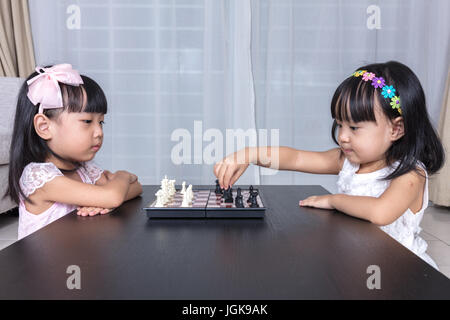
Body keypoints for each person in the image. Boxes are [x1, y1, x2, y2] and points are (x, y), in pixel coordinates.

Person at [214, 61, 444, 269]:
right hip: (357, 260)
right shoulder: (349, 161)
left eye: (354, 128)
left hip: (397, 271)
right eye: (340, 124)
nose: (343, 136)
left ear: (396, 129)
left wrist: (333, 200)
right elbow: (296, 158)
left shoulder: (410, 174)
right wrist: (248, 154)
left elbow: (380, 212)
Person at [3, 64, 143, 239]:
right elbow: (113, 195)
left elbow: (136, 188)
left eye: (101, 122)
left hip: (77, 258)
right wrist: (123, 176)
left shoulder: (83, 168)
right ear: (44, 127)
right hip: (44, 266)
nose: (99, 132)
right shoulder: (38, 176)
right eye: (87, 121)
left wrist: (105, 202)